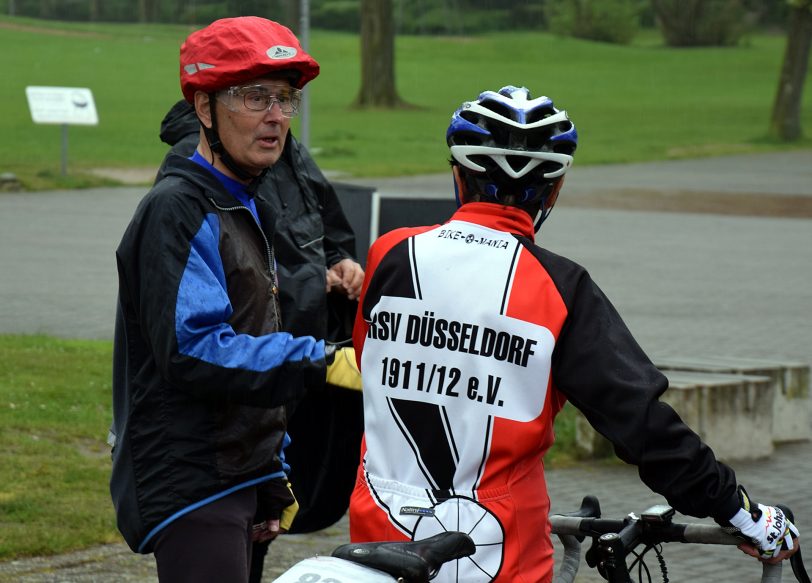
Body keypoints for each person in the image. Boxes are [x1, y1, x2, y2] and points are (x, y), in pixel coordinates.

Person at [347, 85, 800, 582]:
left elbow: (372, 367)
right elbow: (641, 423)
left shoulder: (389, 254)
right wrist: (743, 515)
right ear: (554, 191)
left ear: (458, 176)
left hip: (375, 549)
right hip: (500, 557)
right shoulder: (561, 287)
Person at [110, 17, 344, 583]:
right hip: (194, 482)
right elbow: (195, 350)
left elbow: (252, 338)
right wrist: (319, 360)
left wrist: (269, 471)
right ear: (203, 107)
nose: (275, 116)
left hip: (235, 477)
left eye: (285, 98)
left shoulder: (242, 201)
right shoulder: (179, 208)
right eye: (253, 96)